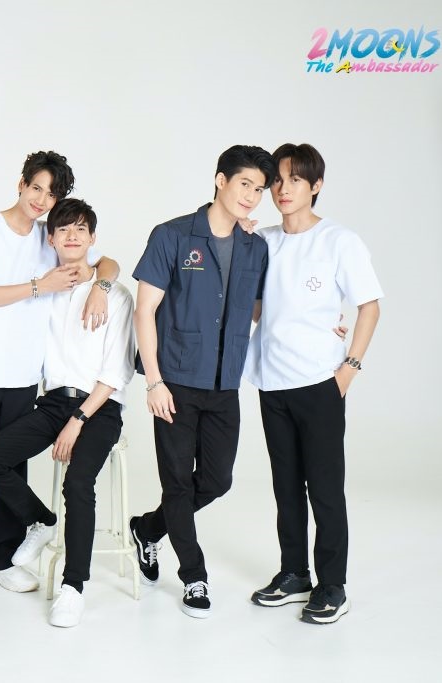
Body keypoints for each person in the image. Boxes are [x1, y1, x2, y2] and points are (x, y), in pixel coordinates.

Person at [0, 151, 120, 611]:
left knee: (11, 467)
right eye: (36, 188)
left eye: (51, 194)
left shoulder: (50, 236)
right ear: (21, 183)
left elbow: (106, 263)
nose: (41, 200)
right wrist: (39, 287)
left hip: (26, 373)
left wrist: (101, 287)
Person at [0, 198, 135, 627]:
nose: (72, 236)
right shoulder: (45, 290)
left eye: (81, 229)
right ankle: (41, 521)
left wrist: (78, 421)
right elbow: (5, 313)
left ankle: (73, 587)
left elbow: (116, 372)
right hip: (53, 402)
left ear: (93, 238)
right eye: (64, 229)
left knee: (78, 483)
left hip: (99, 407)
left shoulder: (115, 294)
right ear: (51, 239)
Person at [129, 145, 275, 618]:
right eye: (244, 184)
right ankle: (194, 577)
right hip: (174, 381)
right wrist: (154, 382)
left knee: (216, 480)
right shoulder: (172, 235)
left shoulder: (255, 247)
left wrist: (320, 324)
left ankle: (147, 529)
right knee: (177, 484)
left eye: (259, 189)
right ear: (220, 180)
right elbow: (145, 310)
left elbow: (261, 310)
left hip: (224, 383)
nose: (251, 196)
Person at [245, 143, 382, 625]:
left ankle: (332, 585)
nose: (283, 189)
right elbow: (257, 307)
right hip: (271, 381)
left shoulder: (339, 241)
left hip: (321, 382)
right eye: (278, 181)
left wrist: (349, 369)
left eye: (296, 180)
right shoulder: (262, 240)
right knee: (285, 487)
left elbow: (369, 306)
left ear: (316, 186)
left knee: (324, 487)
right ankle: (293, 574)